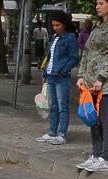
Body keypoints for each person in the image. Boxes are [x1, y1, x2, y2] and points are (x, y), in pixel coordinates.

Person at [75, 0, 108, 172]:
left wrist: (101, 78)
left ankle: (105, 158)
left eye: (101, 3)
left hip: (107, 83)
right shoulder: (96, 26)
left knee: (106, 119)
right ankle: (95, 154)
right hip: (90, 83)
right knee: (93, 120)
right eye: (96, 3)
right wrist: (81, 75)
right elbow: (87, 52)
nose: (97, 6)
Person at [36, 11, 78, 145]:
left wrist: (63, 70)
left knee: (62, 106)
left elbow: (74, 58)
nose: (55, 28)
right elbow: (49, 58)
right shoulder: (54, 38)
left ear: (64, 25)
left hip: (61, 77)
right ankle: (52, 131)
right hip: (50, 76)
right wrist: (45, 75)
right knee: (53, 106)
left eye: (57, 25)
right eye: (53, 25)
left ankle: (62, 134)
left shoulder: (70, 38)